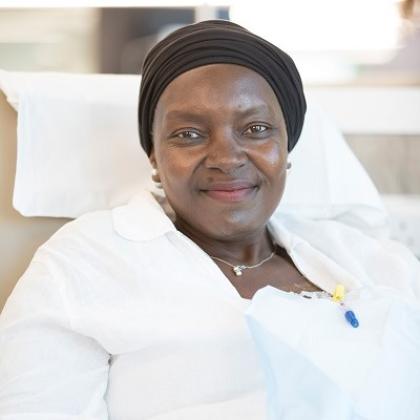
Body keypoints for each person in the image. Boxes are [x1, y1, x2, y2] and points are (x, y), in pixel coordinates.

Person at [0, 20, 419, 420]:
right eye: (189, 134)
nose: (226, 158)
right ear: (154, 157)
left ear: (286, 149)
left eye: (255, 128)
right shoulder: (85, 264)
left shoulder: (370, 258)